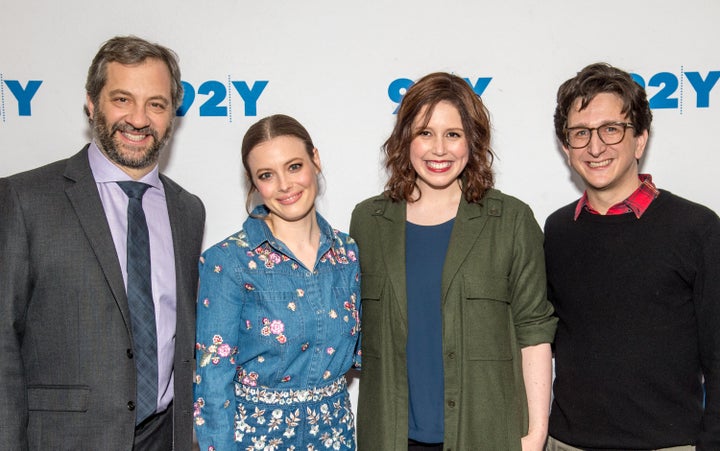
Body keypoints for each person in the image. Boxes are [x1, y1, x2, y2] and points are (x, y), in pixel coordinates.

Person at [0, 36, 205, 450]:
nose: (139, 118)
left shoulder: (188, 210)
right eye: (122, 99)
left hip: (165, 437)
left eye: (156, 104)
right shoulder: (25, 198)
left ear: (172, 115)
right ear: (92, 104)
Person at [350, 72, 557, 450]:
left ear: (473, 141)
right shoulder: (368, 222)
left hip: (487, 433)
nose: (439, 149)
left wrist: (535, 433)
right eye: (425, 133)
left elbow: (534, 332)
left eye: (453, 134)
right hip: (391, 437)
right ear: (404, 139)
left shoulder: (510, 220)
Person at [545, 62, 720, 450]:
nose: (595, 146)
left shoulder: (696, 228)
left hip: (667, 444)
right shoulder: (556, 231)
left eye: (611, 129)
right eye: (580, 133)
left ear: (639, 140)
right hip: (566, 444)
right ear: (566, 147)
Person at [193, 114, 361, 450]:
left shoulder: (348, 253)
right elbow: (212, 381)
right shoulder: (227, 260)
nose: (285, 185)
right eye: (267, 175)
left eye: (294, 166)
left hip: (334, 437)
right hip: (254, 438)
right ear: (254, 184)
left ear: (315, 159)